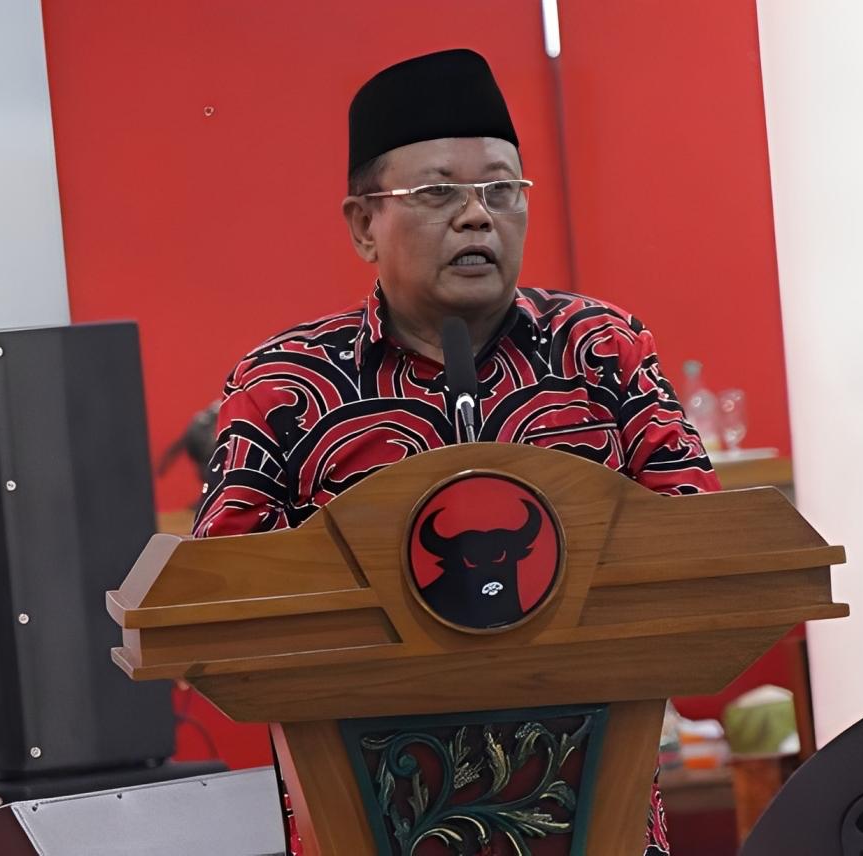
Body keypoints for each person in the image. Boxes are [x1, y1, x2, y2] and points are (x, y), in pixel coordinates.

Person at [194, 48, 718, 856]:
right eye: (437, 193)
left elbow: (708, 549)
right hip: (373, 816)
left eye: (502, 190)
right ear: (363, 224)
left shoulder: (601, 350)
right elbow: (217, 603)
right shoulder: (285, 384)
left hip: (592, 817)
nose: (477, 217)